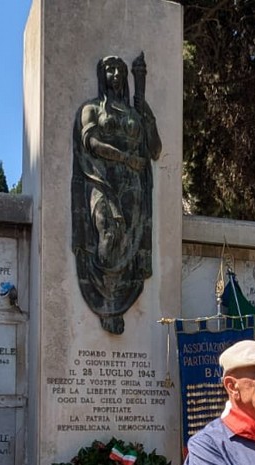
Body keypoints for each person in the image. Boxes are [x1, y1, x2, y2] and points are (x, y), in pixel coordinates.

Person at [71, 53, 162, 334]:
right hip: (101, 181)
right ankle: (105, 296)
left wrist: (147, 115)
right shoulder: (91, 109)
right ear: (102, 75)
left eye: (119, 70)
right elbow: (91, 143)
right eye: (109, 69)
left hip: (132, 186)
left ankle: (117, 298)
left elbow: (155, 151)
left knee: (129, 239)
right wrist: (124, 158)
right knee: (107, 233)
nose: (115, 75)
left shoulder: (135, 113)